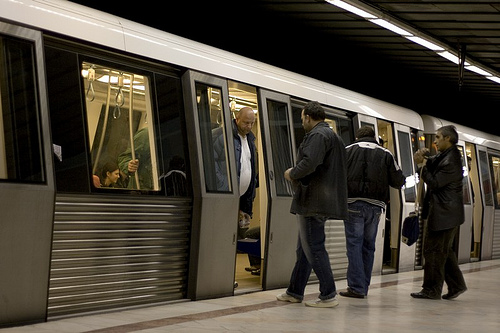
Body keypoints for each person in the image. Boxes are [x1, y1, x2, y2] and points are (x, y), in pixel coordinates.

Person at [276, 101, 347, 308]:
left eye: (302, 119)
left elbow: (310, 163)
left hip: (313, 200)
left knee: (314, 248)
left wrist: (292, 173)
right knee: (305, 250)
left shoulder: (318, 135)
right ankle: (295, 291)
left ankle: (328, 294)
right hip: (320, 200)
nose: (302, 123)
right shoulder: (333, 136)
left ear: (308, 117)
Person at [340, 126, 405, 298]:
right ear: (374, 137)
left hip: (352, 204)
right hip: (376, 207)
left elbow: (336, 174)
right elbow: (399, 181)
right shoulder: (386, 153)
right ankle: (363, 286)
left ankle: (356, 287)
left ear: (357, 137)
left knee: (354, 245)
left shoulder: (347, 150)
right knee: (368, 247)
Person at [411, 125, 467, 300]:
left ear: (447, 139)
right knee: (444, 251)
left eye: (437, 137)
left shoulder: (451, 161)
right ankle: (457, 286)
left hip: (445, 213)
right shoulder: (448, 156)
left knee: (433, 251)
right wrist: (425, 157)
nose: (435, 141)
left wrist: (422, 165)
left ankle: (431, 290)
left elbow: (434, 182)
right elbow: (433, 162)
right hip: (446, 213)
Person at [214, 107, 259, 271]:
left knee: (233, 237)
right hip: (225, 197)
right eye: (246, 122)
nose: (249, 126)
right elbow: (211, 164)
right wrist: (224, 185)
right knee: (221, 237)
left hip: (241, 199)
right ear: (237, 119)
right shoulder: (220, 136)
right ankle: (219, 272)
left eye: (252, 123)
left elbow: (251, 167)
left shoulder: (250, 140)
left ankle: (226, 273)